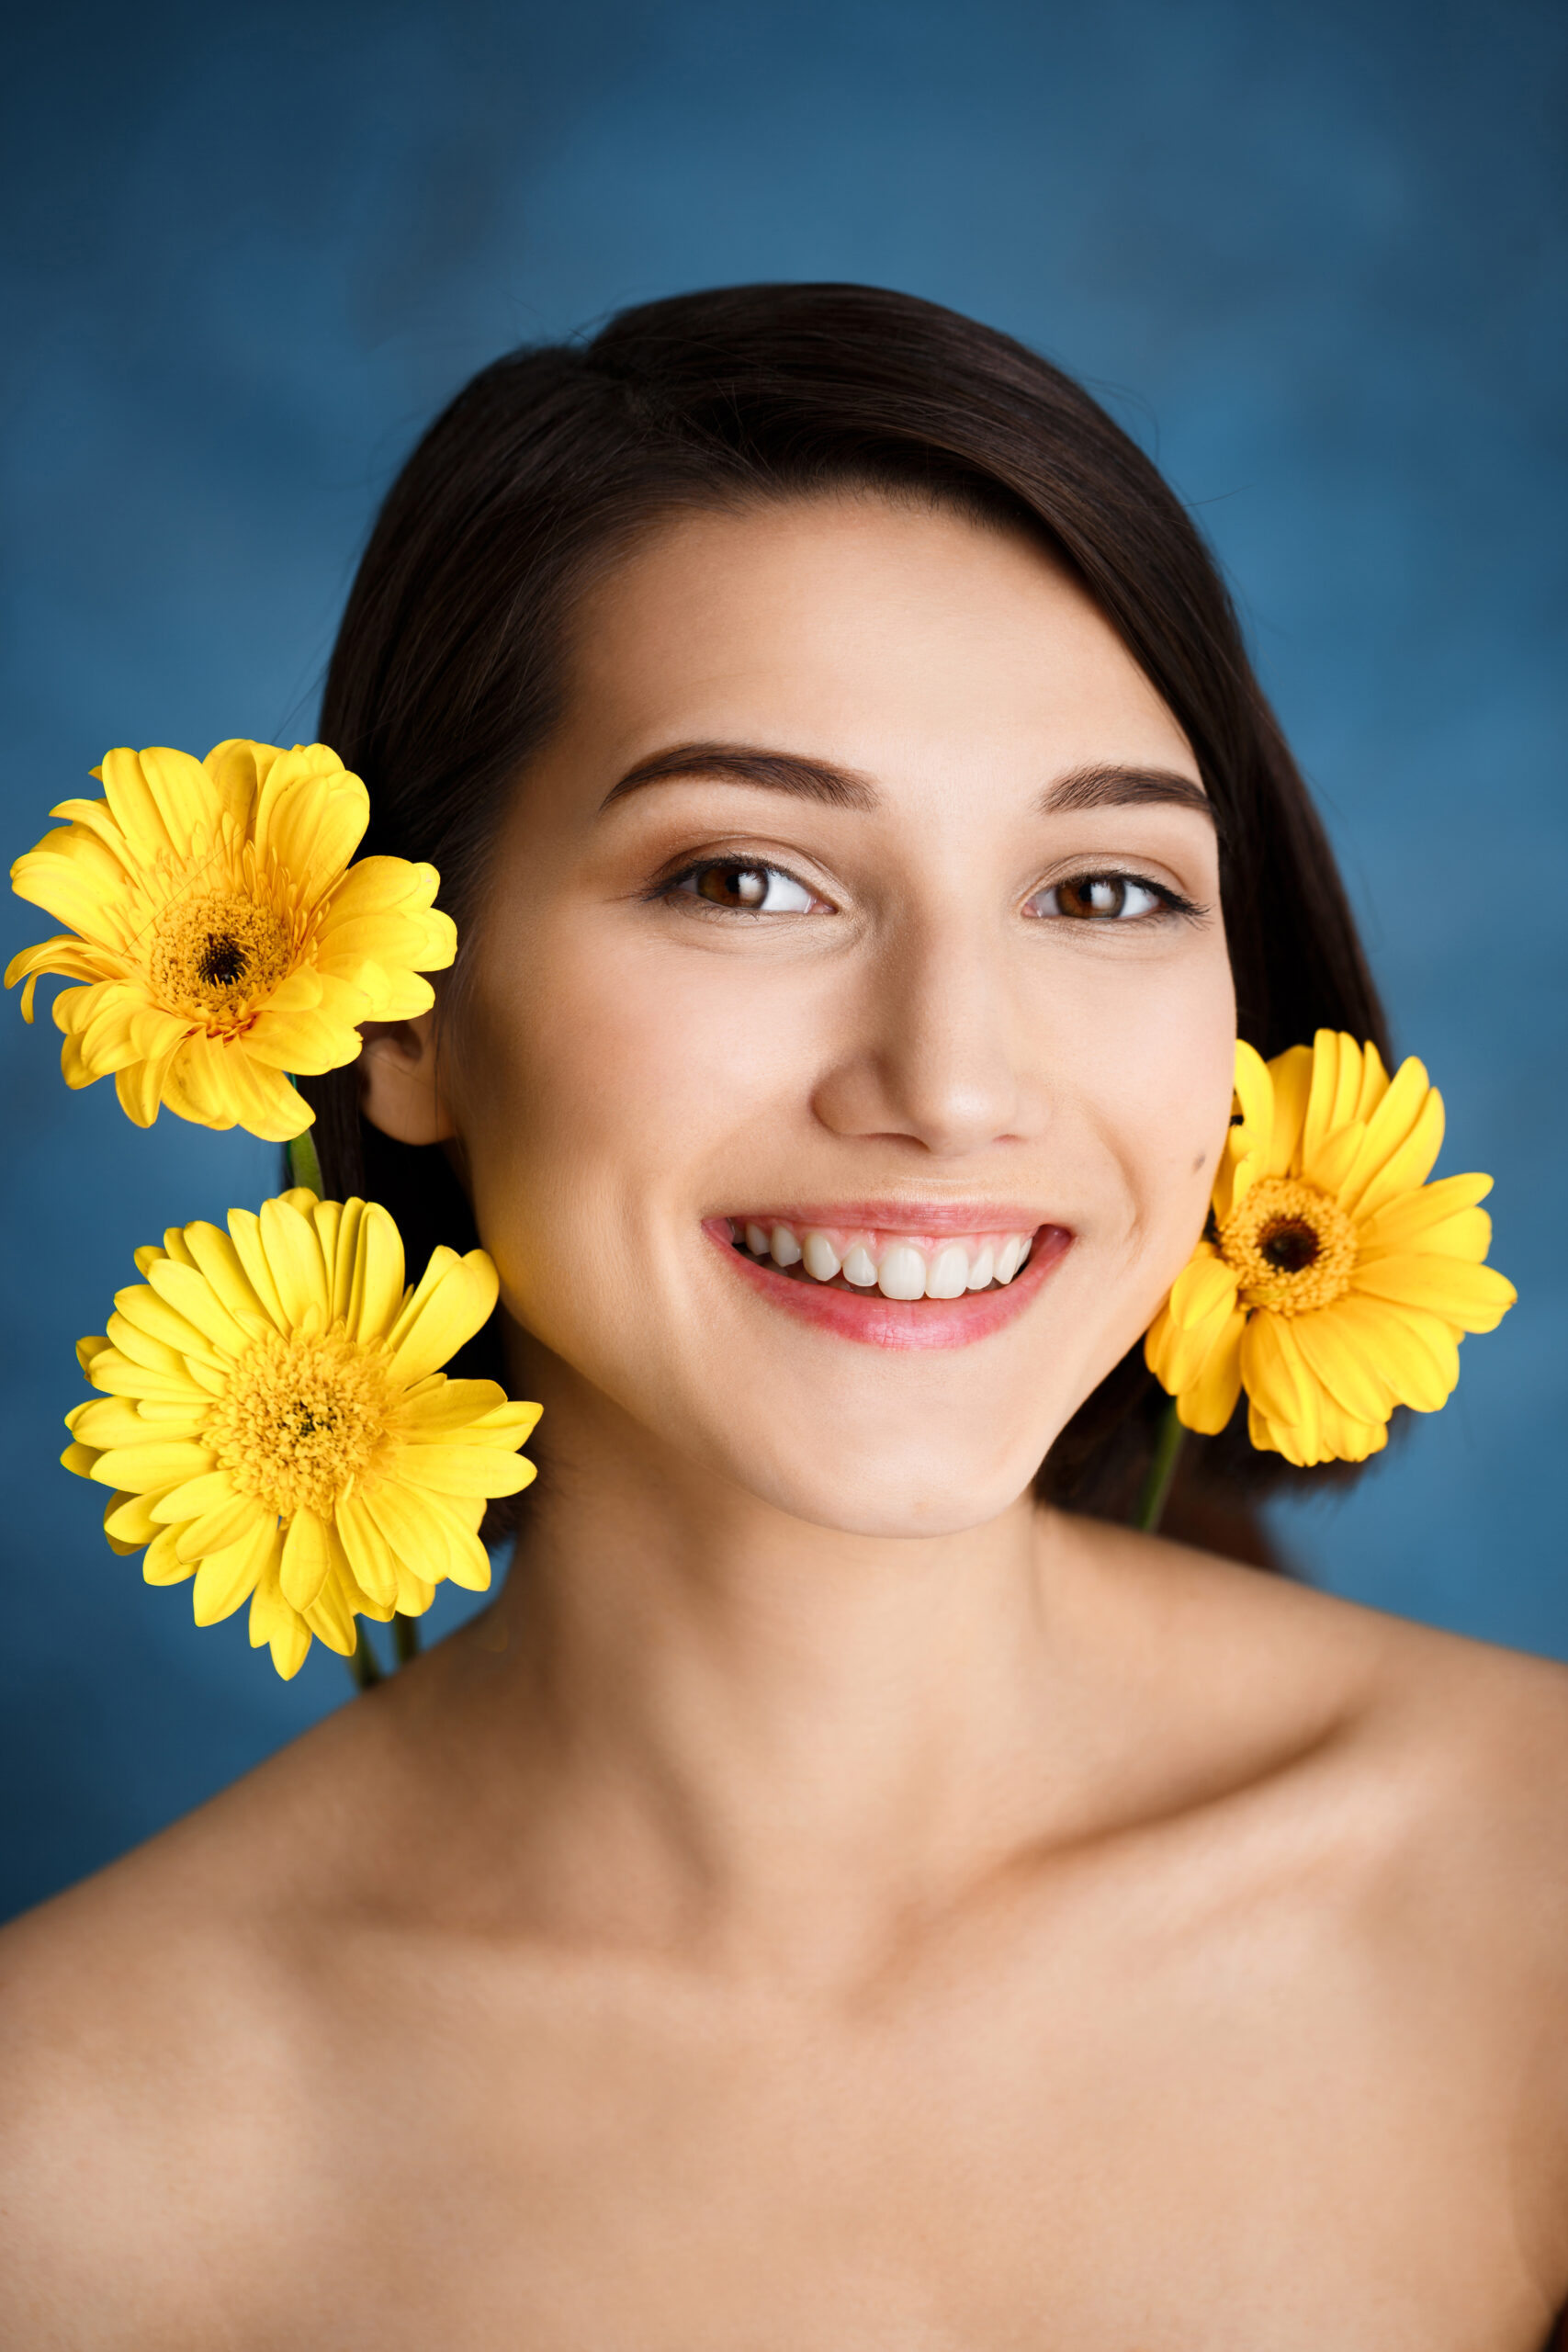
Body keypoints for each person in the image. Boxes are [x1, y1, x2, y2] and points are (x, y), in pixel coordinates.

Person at [2, 284, 1564, 2348]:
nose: (950, 1078)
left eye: (1101, 889)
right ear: (403, 1009)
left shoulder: (1524, 1901)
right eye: (745, 877)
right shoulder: (69, 2153)